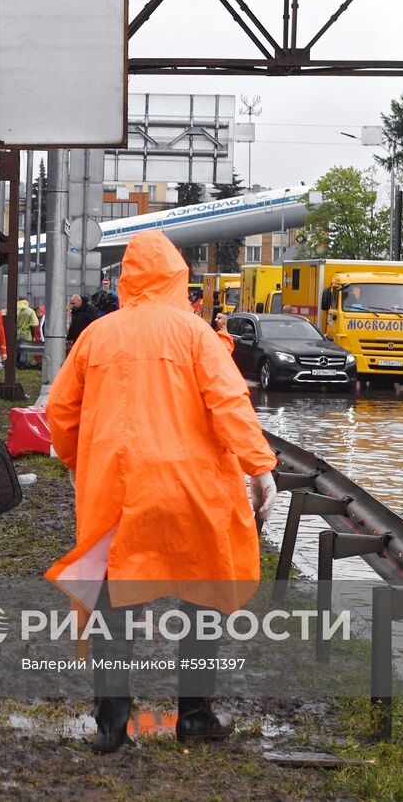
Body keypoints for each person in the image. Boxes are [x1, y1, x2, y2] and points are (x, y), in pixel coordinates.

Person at [45, 230, 277, 754]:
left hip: (118, 492)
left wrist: (83, 463)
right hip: (192, 489)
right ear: (178, 277)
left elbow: (60, 414)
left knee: (112, 606)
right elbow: (230, 404)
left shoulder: (97, 336)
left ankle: (112, 727)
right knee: (201, 599)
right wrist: (260, 469)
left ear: (126, 280)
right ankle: (195, 715)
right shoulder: (195, 334)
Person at [15, 298, 40, 367]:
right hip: (26, 333)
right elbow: (35, 323)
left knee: (15, 348)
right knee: (24, 348)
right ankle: (22, 363)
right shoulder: (30, 311)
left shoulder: (14, 310)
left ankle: (15, 363)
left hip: (15, 333)